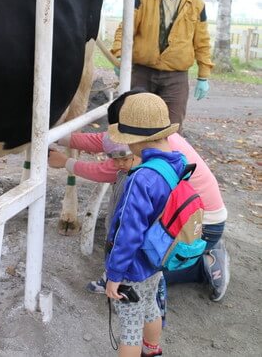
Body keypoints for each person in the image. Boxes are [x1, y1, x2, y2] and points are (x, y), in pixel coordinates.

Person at [52, 89, 230, 302]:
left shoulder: (142, 168)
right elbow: (101, 140)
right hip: (198, 216)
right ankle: (202, 247)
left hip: (200, 225)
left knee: (148, 269)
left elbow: (106, 172)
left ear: (132, 137)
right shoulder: (158, 135)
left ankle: (204, 263)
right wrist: (58, 138)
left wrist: (66, 163)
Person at [104, 92, 183, 357]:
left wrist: (114, 275)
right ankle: (152, 351)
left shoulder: (140, 179)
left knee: (128, 326)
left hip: (134, 267)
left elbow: (128, 232)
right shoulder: (177, 162)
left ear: (136, 141)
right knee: (151, 307)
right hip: (157, 257)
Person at [110, 0, 214, 128]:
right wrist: (120, 56)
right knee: (133, 123)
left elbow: (202, 43)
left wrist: (203, 76)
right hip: (142, 72)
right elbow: (125, 29)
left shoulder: (197, 5)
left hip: (176, 78)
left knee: (172, 128)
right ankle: (132, 157)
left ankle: (166, 157)